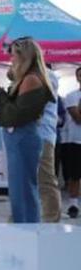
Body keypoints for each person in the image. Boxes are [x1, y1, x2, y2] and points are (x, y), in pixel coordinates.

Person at [0, 37, 55, 224]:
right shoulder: (27, 78)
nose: (11, 60)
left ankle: (27, 228)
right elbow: (10, 111)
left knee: (23, 189)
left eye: (13, 56)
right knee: (19, 189)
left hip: (23, 137)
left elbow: (15, 115)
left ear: (24, 57)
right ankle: (23, 228)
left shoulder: (32, 79)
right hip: (18, 138)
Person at [37, 65, 62, 222]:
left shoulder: (48, 75)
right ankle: (20, 220)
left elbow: (36, 101)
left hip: (43, 135)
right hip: (28, 135)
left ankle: (51, 220)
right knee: (24, 180)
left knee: (45, 179)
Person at [62, 67, 81, 219]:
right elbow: (78, 118)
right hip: (76, 141)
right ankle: (73, 205)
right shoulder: (71, 96)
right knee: (75, 175)